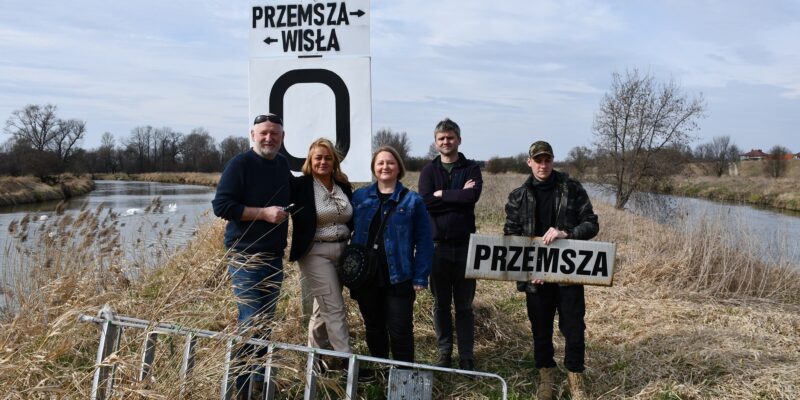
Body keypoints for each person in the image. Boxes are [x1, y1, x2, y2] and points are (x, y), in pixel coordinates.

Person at [503, 141, 599, 400]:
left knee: (574, 329)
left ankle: (575, 378)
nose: (543, 165)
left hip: (568, 275)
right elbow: (510, 237)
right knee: (540, 329)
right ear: (529, 162)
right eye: (538, 160)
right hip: (536, 278)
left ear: (553, 160)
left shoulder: (572, 188)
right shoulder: (517, 196)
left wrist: (567, 233)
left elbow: (591, 224)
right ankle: (546, 377)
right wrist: (527, 270)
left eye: (547, 160)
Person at [211, 113, 291, 398]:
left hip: (273, 256)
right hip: (244, 256)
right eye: (263, 133)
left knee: (266, 322)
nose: (269, 138)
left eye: (274, 133)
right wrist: (263, 214)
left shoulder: (282, 165)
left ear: (282, 137)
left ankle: (259, 380)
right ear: (252, 135)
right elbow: (221, 206)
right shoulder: (240, 164)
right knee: (251, 321)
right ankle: (242, 388)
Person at [349, 146, 433, 364]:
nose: (385, 166)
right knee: (373, 327)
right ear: (374, 168)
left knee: (400, 329)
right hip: (366, 277)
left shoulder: (413, 201)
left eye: (390, 162)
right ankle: (380, 369)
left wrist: (420, 276)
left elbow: (424, 241)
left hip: (399, 276)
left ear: (398, 168)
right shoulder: (359, 197)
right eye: (380, 163)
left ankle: (403, 377)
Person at [417, 118, 483, 370]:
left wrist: (442, 194)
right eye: (441, 138)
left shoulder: (471, 168)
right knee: (440, 304)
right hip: (437, 247)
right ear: (436, 143)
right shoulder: (428, 171)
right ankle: (444, 352)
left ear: (459, 140)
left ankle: (466, 356)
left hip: (466, 247)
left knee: (464, 306)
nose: (446, 141)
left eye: (450, 137)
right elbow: (425, 202)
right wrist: (458, 197)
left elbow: (472, 196)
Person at [289, 138, 354, 360]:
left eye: (328, 158)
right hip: (315, 253)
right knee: (335, 308)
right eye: (318, 158)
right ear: (310, 160)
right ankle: (346, 363)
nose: (323, 162)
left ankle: (314, 361)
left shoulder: (343, 186)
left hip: (343, 251)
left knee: (323, 308)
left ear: (334, 161)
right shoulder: (300, 186)